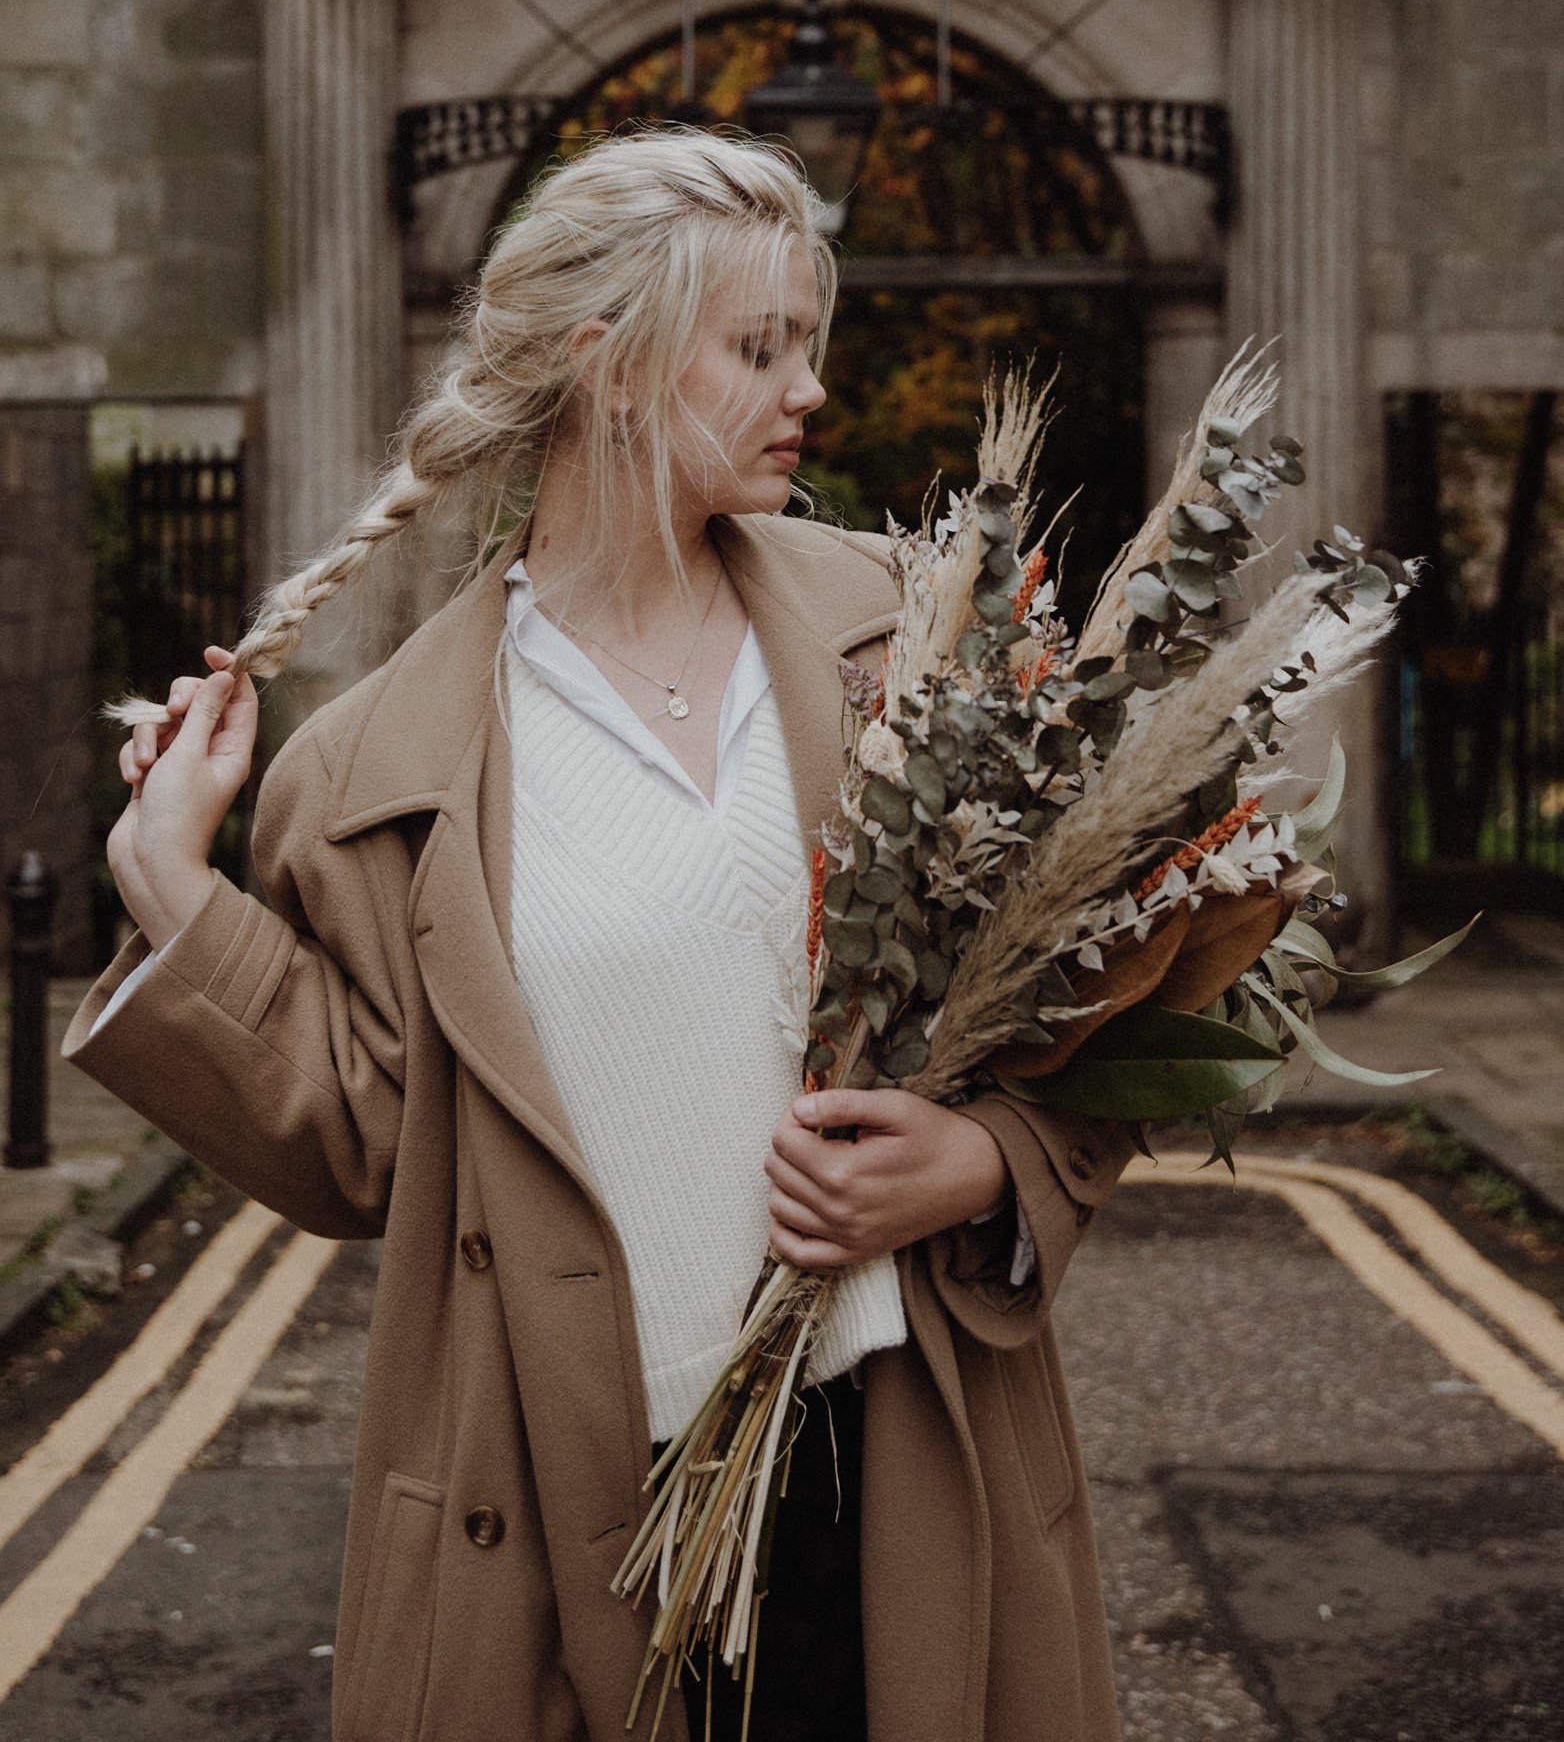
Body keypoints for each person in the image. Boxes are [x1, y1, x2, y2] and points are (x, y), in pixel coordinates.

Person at [71, 129, 1129, 1742]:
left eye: (809, 347)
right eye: (760, 348)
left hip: (897, 1467)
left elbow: (1087, 998)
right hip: (558, 1509)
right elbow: (367, 1144)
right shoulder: (372, 766)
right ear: (612, 367)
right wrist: (172, 885)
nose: (810, 391)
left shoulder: (904, 631)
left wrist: (977, 1165)